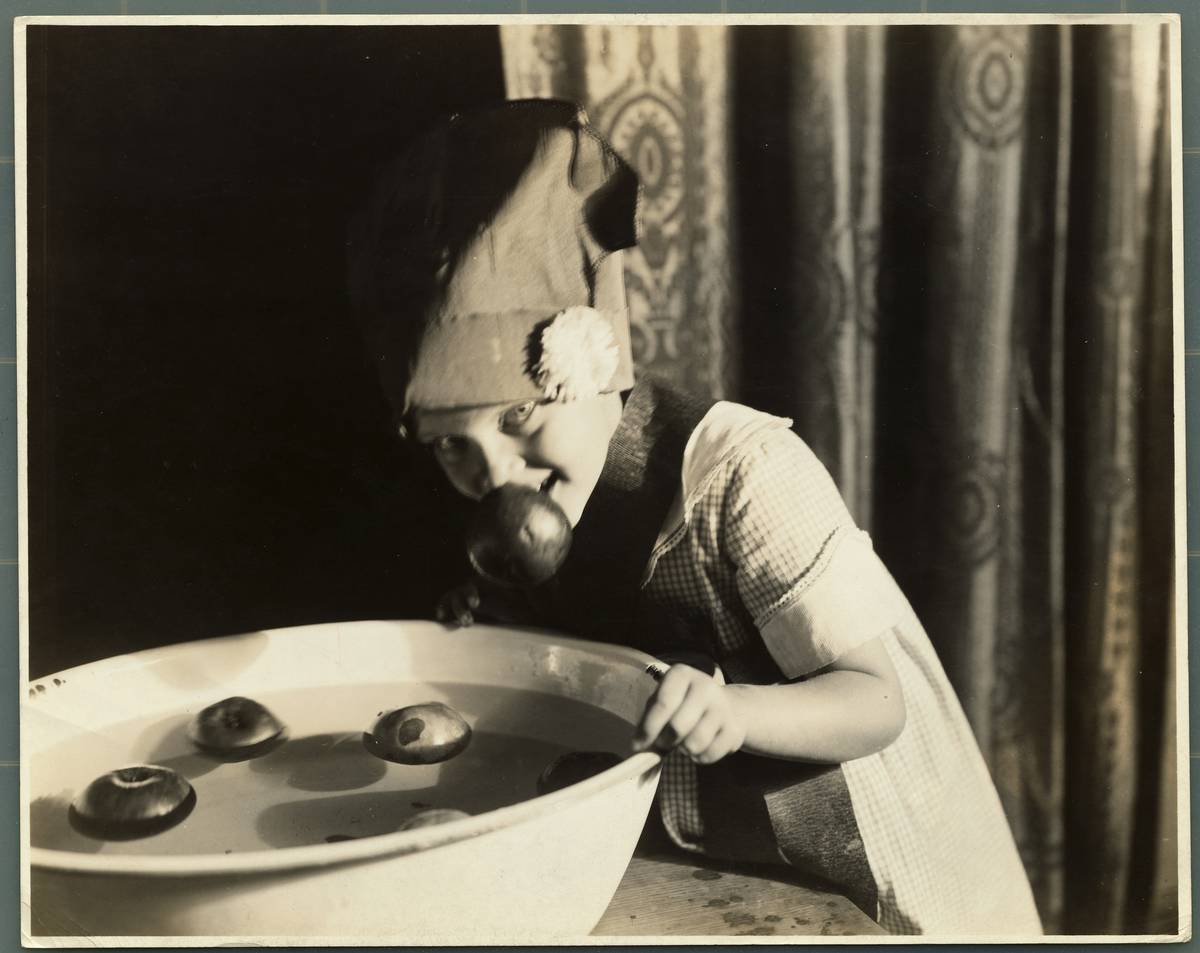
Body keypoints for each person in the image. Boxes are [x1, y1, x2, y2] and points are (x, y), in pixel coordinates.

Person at [347, 98, 1043, 937]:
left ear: (596, 365)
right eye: (453, 450)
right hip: (708, 856)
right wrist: (495, 614)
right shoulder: (538, 510)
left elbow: (874, 704)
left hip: (852, 849)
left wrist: (740, 713)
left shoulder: (744, 476)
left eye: (519, 419)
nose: (496, 477)